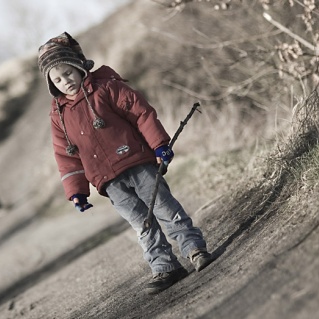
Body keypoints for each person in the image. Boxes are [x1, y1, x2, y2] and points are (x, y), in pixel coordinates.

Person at [38, 32, 213, 294]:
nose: (66, 81)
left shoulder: (107, 87)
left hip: (138, 163)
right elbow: (66, 155)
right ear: (52, 84)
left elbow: (141, 113)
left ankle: (194, 249)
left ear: (79, 66)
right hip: (109, 181)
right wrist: (76, 191)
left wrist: (159, 145)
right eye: (58, 79)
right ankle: (165, 266)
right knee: (141, 224)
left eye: (68, 72)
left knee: (165, 209)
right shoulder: (59, 115)